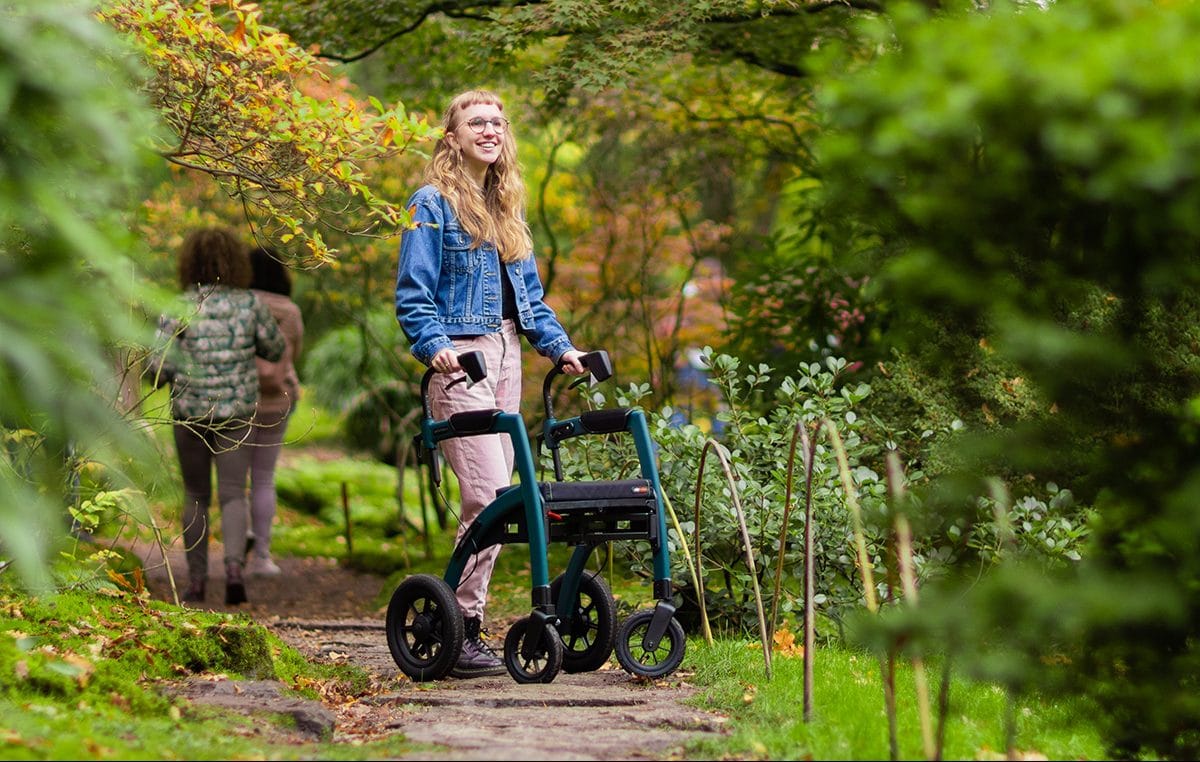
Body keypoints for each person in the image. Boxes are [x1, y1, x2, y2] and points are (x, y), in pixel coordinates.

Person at [394, 89, 588, 678]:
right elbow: (412, 295)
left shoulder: (506, 211)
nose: (490, 130)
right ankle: (462, 626)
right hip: (462, 361)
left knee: (503, 496)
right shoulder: (430, 204)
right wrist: (437, 349)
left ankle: (458, 624)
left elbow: (530, 304)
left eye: (498, 122)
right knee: (487, 497)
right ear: (451, 137)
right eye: (476, 122)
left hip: (506, 356)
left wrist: (562, 348)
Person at [151, 227, 285, 606]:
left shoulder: (177, 306)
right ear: (236, 262)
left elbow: (154, 367)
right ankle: (233, 572)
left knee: (195, 494)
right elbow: (275, 350)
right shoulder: (249, 305)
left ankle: (195, 582)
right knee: (232, 494)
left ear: (189, 262)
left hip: (190, 413)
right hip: (237, 413)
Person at [245, 246, 304, 576]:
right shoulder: (290, 311)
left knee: (235, 476)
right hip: (279, 399)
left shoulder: (241, 304)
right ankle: (262, 557)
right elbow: (295, 354)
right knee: (264, 476)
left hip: (238, 399)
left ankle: (237, 549)